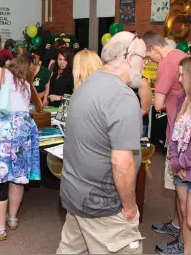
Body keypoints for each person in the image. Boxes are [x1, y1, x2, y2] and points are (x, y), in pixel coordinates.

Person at [57, 32, 147, 254]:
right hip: (103, 205)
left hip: (75, 193)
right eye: (144, 59)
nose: (145, 66)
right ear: (130, 57)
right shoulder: (122, 96)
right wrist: (129, 206)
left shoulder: (85, 85)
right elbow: (121, 162)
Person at [0, 57, 41, 241]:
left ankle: (0, 228)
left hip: (1, 129)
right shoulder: (26, 84)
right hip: (23, 128)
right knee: (18, 175)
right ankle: (12, 219)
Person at [142, 31, 188, 254]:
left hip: (178, 135)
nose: (149, 61)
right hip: (182, 131)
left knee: (182, 191)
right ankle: (177, 225)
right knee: (177, 189)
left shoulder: (165, 65)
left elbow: (158, 104)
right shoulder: (180, 53)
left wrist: (144, 87)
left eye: (149, 57)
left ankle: (183, 241)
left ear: (154, 49)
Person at [161, 57, 191, 255]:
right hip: (180, 167)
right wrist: (174, 161)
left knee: (189, 218)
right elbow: (174, 134)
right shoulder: (183, 99)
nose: (179, 79)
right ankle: (183, 246)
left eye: (182, 74)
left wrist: (180, 164)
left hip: (186, 167)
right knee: (184, 212)